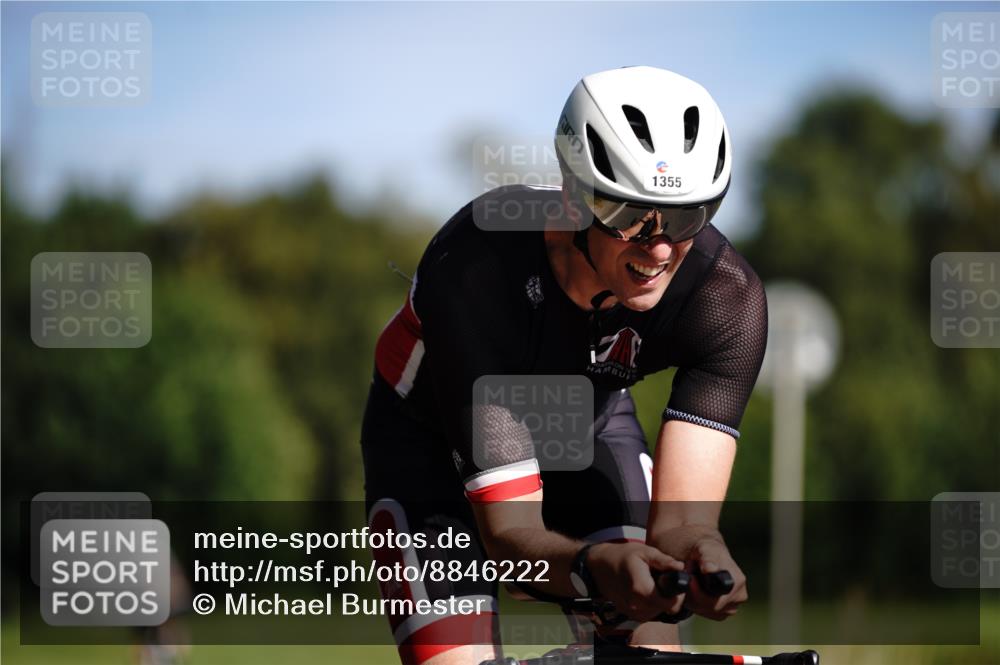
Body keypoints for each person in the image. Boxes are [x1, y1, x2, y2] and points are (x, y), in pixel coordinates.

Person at [361, 65, 767, 665]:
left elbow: (680, 526)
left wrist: (701, 552)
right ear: (576, 197)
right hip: (429, 448)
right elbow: (510, 536)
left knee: (650, 621)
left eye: (685, 216)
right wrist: (589, 569)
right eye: (630, 214)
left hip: (588, 429)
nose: (657, 246)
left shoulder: (724, 300)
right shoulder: (478, 266)